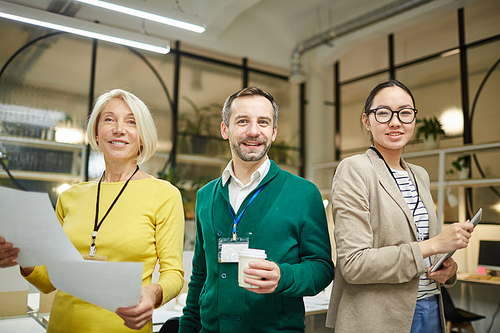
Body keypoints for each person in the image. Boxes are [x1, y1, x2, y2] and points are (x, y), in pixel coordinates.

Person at [0, 89, 185, 332]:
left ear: (142, 137)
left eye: (131, 122)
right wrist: (23, 259)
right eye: (109, 119)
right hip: (62, 325)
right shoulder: (70, 196)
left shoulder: (164, 194)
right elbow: (47, 282)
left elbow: (174, 274)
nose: (119, 129)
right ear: (97, 134)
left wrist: (153, 293)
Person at [179, 86, 335, 333]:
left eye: (263, 122)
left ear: (273, 132)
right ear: (224, 129)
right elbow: (200, 277)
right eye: (242, 121)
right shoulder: (205, 196)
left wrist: (283, 277)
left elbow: (322, 268)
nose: (253, 131)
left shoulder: (304, 194)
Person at [325, 80, 474, 333]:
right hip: (379, 318)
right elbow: (353, 264)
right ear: (366, 120)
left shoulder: (420, 175)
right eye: (383, 113)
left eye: (405, 113)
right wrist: (435, 245)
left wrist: (446, 268)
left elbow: (423, 249)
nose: (395, 122)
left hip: (431, 307)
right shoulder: (355, 169)